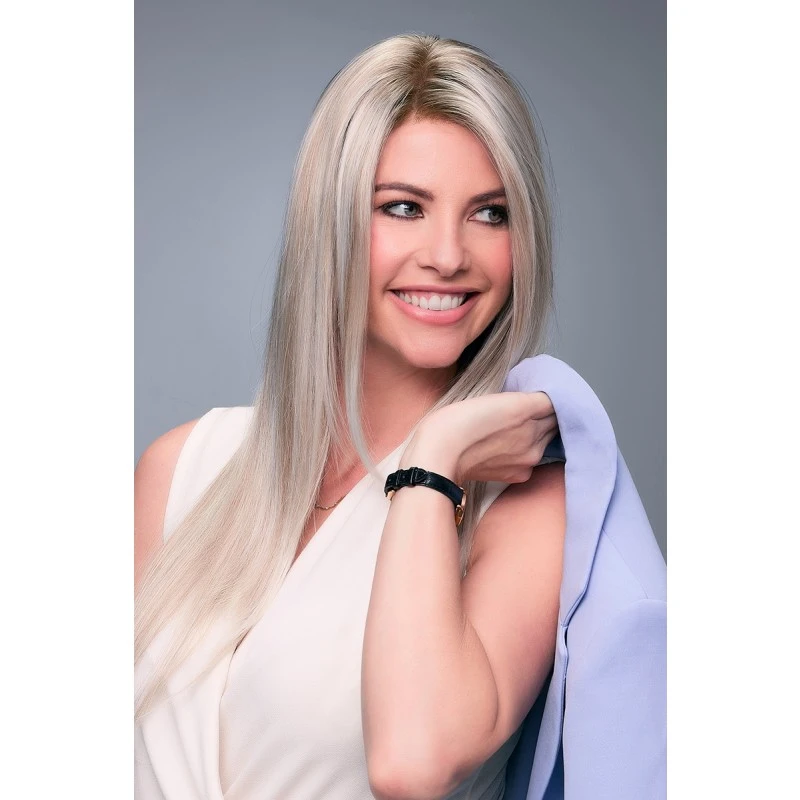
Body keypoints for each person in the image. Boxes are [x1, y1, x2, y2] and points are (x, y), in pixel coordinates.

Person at [135, 34, 662, 800]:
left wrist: (433, 461)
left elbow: (411, 765)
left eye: (490, 214)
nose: (448, 255)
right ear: (329, 222)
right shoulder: (182, 469)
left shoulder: (529, 509)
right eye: (404, 208)